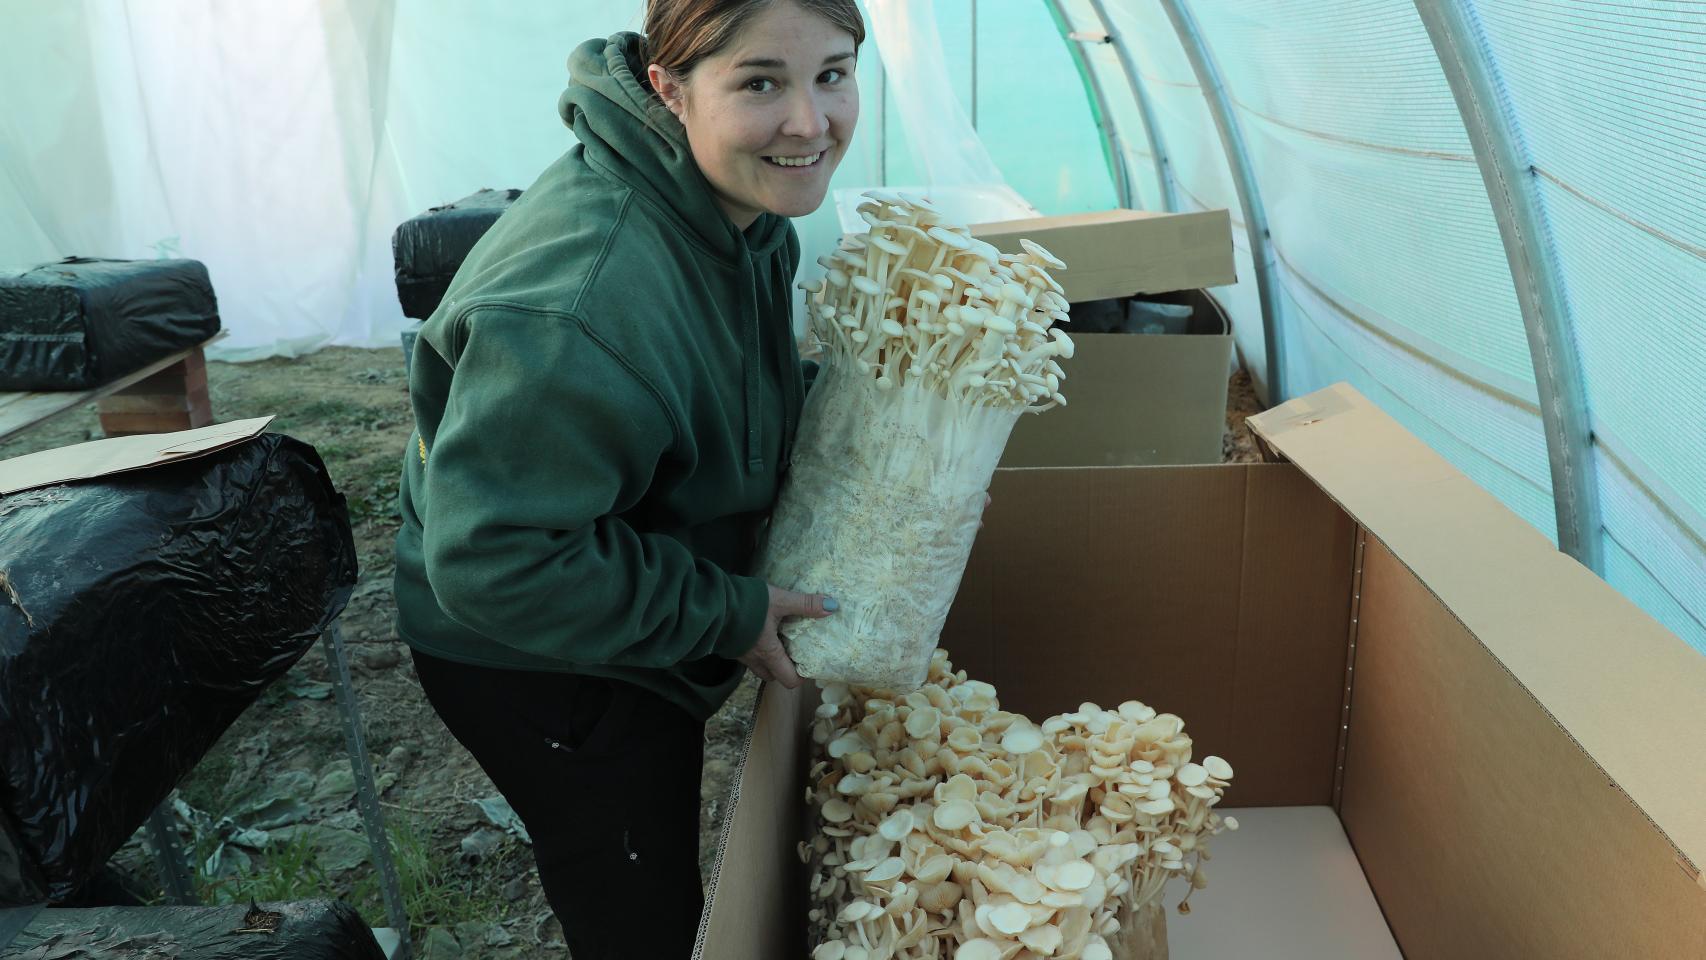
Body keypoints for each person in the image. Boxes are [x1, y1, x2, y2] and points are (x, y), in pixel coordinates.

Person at [390, 1, 865, 955]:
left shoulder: (736, 199)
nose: (810, 123)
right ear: (669, 86)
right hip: (541, 653)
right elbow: (500, 562)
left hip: (620, 577)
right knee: (637, 910)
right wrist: (727, 613)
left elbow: (720, 381)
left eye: (834, 73)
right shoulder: (577, 302)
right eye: (761, 82)